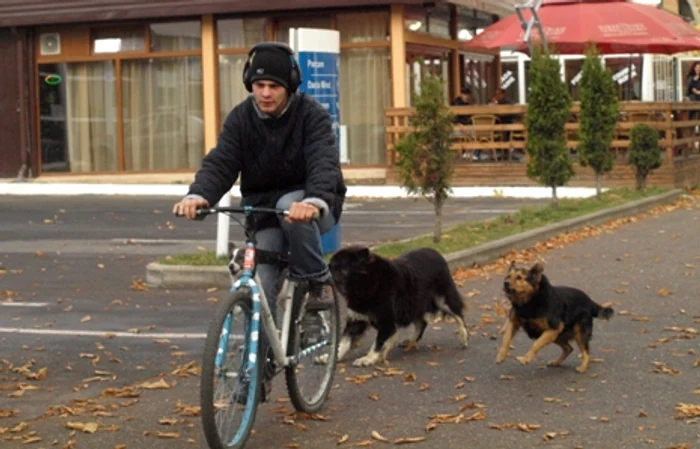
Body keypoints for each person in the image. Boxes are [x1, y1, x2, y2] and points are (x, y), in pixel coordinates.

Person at [173, 42, 347, 400]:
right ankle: (259, 371)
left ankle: (317, 286)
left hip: (311, 205)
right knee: (262, 286)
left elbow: (323, 163)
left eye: (275, 86)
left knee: (290, 207)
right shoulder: (241, 118)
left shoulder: (311, 116)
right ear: (249, 84)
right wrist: (198, 194)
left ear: (290, 86)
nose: (265, 93)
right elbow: (221, 161)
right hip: (265, 211)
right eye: (259, 85)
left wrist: (314, 201)